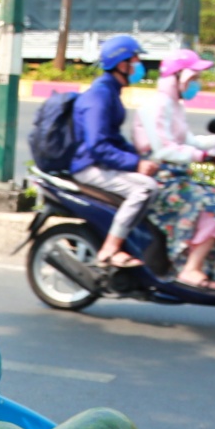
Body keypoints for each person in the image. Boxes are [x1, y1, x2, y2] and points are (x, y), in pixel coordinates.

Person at [133, 50, 215, 290]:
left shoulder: (174, 105)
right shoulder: (157, 106)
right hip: (160, 178)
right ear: (178, 78)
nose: (196, 84)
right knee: (211, 204)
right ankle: (189, 269)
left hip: (175, 176)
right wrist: (202, 156)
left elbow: (188, 140)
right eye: (193, 78)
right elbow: (164, 149)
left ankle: (200, 265)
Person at [69, 34, 155, 269]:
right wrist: (135, 165)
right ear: (121, 64)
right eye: (135, 61)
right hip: (88, 167)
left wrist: (141, 160)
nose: (139, 66)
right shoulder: (100, 96)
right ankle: (110, 249)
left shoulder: (111, 92)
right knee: (144, 189)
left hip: (99, 163)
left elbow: (114, 139)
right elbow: (98, 146)